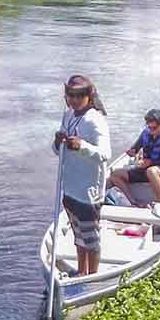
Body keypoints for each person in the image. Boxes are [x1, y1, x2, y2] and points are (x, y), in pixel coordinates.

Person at [53, 74, 112, 277]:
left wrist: (82, 146)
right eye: (71, 95)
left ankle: (92, 277)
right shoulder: (68, 115)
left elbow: (105, 154)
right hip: (70, 189)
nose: (75, 100)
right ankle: (81, 272)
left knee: (91, 240)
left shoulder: (95, 120)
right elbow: (59, 151)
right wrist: (58, 142)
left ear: (89, 96)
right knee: (78, 237)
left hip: (88, 192)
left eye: (79, 96)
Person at [108, 108, 160, 208]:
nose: (151, 130)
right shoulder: (145, 133)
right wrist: (132, 152)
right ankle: (132, 202)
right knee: (115, 174)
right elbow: (135, 148)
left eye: (154, 128)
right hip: (145, 169)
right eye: (149, 127)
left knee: (151, 171)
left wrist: (151, 162)